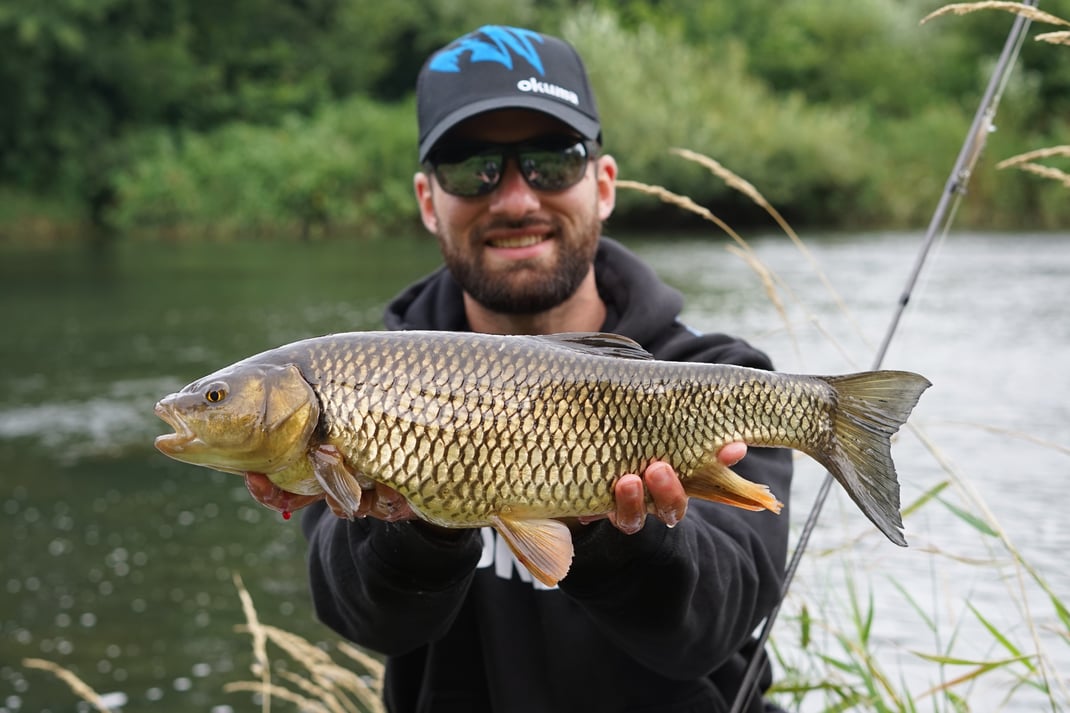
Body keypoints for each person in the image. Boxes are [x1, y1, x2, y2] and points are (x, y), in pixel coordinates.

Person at [245, 25, 792, 713]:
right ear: (427, 200)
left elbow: (711, 631)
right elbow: (368, 621)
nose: (514, 199)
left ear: (604, 185)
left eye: (552, 162)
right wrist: (427, 516)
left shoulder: (717, 378)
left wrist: (612, 533)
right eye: (471, 168)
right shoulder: (361, 380)